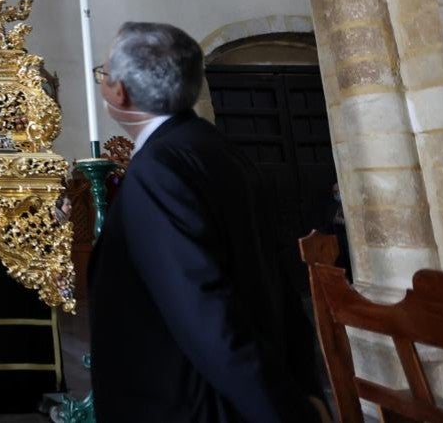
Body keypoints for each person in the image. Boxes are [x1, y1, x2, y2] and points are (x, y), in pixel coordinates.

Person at [87, 22, 327, 423]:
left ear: (119, 91)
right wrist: (304, 387)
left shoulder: (158, 169)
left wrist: (288, 414)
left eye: (104, 73)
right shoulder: (216, 147)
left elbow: (204, 311)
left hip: (190, 403)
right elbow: (275, 278)